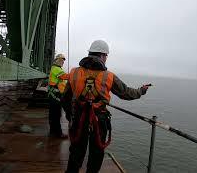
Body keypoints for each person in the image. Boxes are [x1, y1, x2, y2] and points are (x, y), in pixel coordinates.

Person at [62, 40, 151, 173]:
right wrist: (141, 91)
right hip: (99, 121)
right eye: (106, 56)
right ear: (103, 56)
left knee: (76, 153)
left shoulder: (74, 72)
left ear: (89, 53)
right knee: (96, 155)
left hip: (79, 119)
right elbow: (126, 93)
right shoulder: (108, 76)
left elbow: (65, 98)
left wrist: (71, 115)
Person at [48, 53, 68, 138]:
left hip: (55, 95)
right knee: (56, 115)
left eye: (63, 60)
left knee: (54, 114)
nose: (62, 62)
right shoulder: (56, 69)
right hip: (55, 96)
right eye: (61, 60)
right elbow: (64, 77)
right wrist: (75, 75)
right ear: (57, 60)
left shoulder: (56, 69)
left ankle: (53, 132)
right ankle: (57, 133)